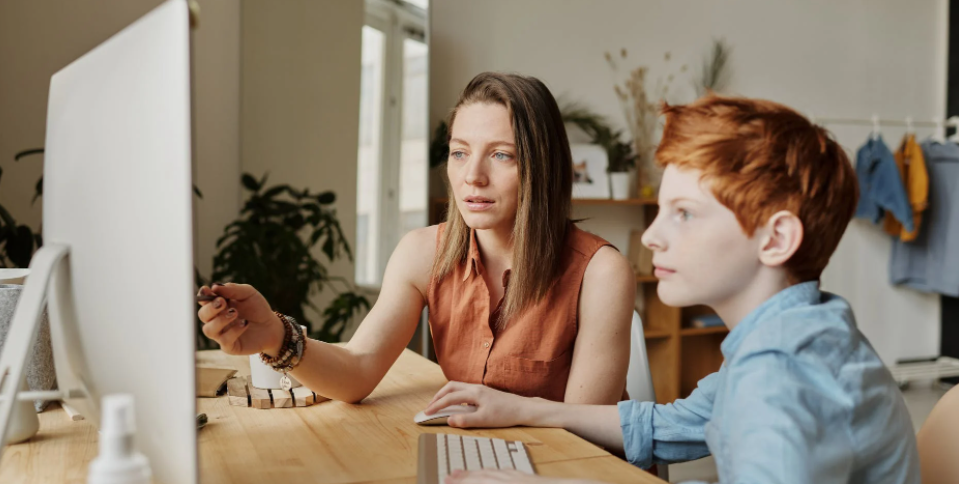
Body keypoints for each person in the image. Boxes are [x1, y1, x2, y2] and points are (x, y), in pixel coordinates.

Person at [425, 95, 921, 484]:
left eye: (683, 214)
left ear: (776, 239)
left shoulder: (783, 375)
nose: (651, 236)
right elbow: (673, 425)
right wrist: (525, 410)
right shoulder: (799, 333)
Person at [196, 72, 636, 405]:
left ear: (543, 168)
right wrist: (275, 335)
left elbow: (584, 433)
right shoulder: (423, 252)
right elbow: (357, 371)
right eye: (460, 152)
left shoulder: (601, 273)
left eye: (501, 155)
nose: (472, 176)